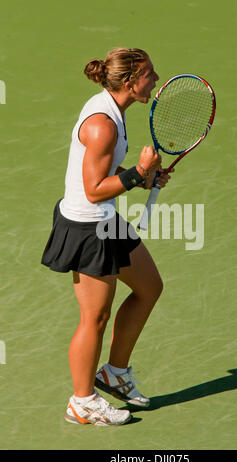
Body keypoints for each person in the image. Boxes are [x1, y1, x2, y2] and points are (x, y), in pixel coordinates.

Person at [41, 47, 173, 426]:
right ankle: (81, 401)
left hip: (106, 219)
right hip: (87, 226)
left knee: (149, 287)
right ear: (131, 83)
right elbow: (95, 188)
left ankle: (114, 373)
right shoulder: (103, 124)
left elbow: (105, 174)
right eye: (150, 73)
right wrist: (137, 174)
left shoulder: (113, 110)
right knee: (94, 317)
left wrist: (143, 175)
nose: (156, 79)